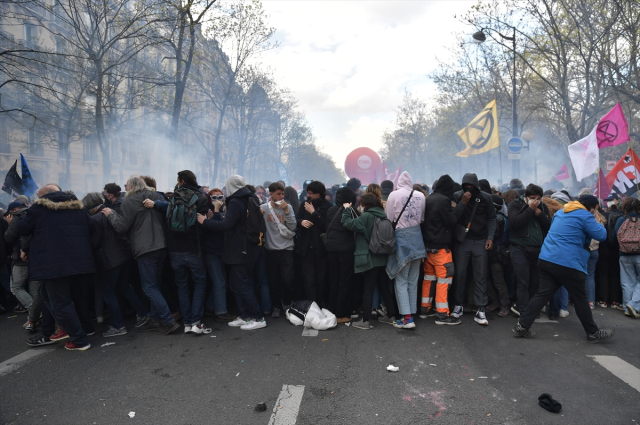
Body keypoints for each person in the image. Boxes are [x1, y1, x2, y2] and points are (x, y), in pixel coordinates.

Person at [513, 195, 614, 343]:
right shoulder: (586, 215)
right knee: (580, 299)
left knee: (541, 295)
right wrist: (597, 220)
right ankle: (593, 333)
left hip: (548, 258)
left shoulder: (561, 212)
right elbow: (601, 235)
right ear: (592, 207)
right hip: (568, 262)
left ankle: (522, 326)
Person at [18, 185, 96, 351]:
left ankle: (80, 340)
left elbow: (22, 229)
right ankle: (74, 329)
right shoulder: (78, 207)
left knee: (61, 303)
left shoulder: (39, 208)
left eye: (39, 196)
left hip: (54, 264)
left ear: (45, 196)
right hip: (78, 262)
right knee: (46, 295)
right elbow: (93, 228)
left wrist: (19, 217)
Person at [102, 176, 180, 336]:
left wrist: (110, 214)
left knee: (149, 287)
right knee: (155, 284)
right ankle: (154, 318)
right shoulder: (155, 196)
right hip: (161, 245)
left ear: (131, 187)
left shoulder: (129, 201)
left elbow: (122, 226)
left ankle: (168, 320)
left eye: (126, 186)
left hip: (145, 248)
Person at [145, 170, 212, 335]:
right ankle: (196, 321)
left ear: (181, 181)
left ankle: (187, 322)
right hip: (193, 248)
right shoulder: (201, 198)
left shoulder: (173, 197)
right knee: (199, 284)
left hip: (174, 249)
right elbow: (203, 222)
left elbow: (167, 210)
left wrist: (156, 204)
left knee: (181, 286)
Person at [197, 175, 266, 331]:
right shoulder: (249, 198)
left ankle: (257, 317)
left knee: (242, 284)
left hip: (238, 249)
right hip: (245, 248)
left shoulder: (236, 202)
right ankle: (245, 315)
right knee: (237, 283)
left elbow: (226, 225)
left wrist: (206, 222)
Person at [83, 193, 150, 337]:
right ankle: (143, 314)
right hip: (124, 256)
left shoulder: (96, 219)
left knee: (108, 291)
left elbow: (94, 243)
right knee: (124, 287)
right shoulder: (111, 212)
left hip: (109, 260)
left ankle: (118, 325)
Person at [340, 193, 397, 329]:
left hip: (370, 257)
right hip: (382, 257)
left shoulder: (367, 216)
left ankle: (365, 320)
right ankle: (391, 316)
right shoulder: (383, 216)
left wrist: (347, 210)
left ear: (364, 205)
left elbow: (347, 223)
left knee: (368, 289)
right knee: (384, 287)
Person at [451, 173, 496, 326]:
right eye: (466, 186)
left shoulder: (486, 198)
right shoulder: (457, 196)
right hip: (463, 241)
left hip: (481, 240)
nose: (468, 188)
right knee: (460, 274)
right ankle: (458, 305)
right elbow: (453, 218)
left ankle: (481, 308)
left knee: (480, 275)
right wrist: (463, 203)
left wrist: (490, 237)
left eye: (471, 186)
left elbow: (491, 218)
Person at [385, 171, 426, 329]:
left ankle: (406, 318)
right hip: (417, 238)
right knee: (413, 280)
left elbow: (389, 218)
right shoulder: (421, 196)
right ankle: (412, 313)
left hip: (402, 239)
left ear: (399, 183)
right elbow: (422, 218)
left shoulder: (394, 195)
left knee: (401, 280)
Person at [420, 174, 462, 325]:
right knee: (443, 280)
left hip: (428, 247)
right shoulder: (444, 200)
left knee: (428, 279)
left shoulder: (428, 198)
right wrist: (454, 209)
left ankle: (425, 309)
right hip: (441, 248)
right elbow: (451, 221)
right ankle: (442, 315)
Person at [507, 184, 551, 317]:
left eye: (539, 198)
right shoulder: (515, 205)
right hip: (519, 249)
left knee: (535, 281)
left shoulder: (542, 206)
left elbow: (549, 225)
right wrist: (530, 210)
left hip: (538, 249)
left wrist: (541, 215)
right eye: (532, 198)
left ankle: (532, 309)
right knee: (523, 281)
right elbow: (515, 222)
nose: (536, 200)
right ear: (526, 197)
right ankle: (523, 309)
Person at [260, 182, 297, 318]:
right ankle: (276, 306)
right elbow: (258, 227)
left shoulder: (288, 207)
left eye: (283, 194)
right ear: (271, 194)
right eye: (278, 194)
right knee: (274, 281)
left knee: (288, 279)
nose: (281, 197)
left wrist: (287, 211)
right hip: (271, 249)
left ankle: (287, 302)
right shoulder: (264, 208)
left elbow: (293, 227)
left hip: (287, 249)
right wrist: (259, 216)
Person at [295, 181, 332, 305]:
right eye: (308, 193)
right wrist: (301, 222)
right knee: (309, 280)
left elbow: (326, 226)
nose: (309, 196)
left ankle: (320, 303)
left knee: (320, 280)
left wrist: (313, 213)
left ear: (319, 194)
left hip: (321, 248)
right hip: (306, 248)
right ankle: (311, 305)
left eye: (311, 193)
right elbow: (296, 219)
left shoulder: (328, 207)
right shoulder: (304, 205)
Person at [5, 201, 40, 329]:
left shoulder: (16, 218)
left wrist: (9, 225)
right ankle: (37, 314)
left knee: (16, 288)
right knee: (34, 289)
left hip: (20, 260)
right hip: (34, 258)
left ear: (14, 209)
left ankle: (34, 313)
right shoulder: (33, 214)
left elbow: (9, 237)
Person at [325, 187, 358, 323]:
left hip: (331, 249)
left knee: (334, 280)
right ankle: (342, 313)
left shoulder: (330, 210)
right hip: (346, 250)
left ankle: (331, 310)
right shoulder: (351, 210)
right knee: (345, 281)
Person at [202, 189, 234, 321]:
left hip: (220, 251)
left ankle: (210, 307)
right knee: (219, 281)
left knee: (220, 281)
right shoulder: (207, 211)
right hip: (211, 251)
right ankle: (221, 311)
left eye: (220, 197)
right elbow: (213, 229)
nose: (217, 200)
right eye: (214, 197)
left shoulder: (223, 211)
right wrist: (215, 212)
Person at [614, 198, 640, 318]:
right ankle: (634, 305)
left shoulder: (621, 220)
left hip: (624, 254)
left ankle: (627, 307)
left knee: (627, 282)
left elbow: (615, 235)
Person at [486, 195, 511, 317]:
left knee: (498, 280)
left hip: (496, 254)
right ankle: (496, 301)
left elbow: (493, 236)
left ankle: (504, 305)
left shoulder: (497, 220)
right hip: (501, 253)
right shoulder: (504, 217)